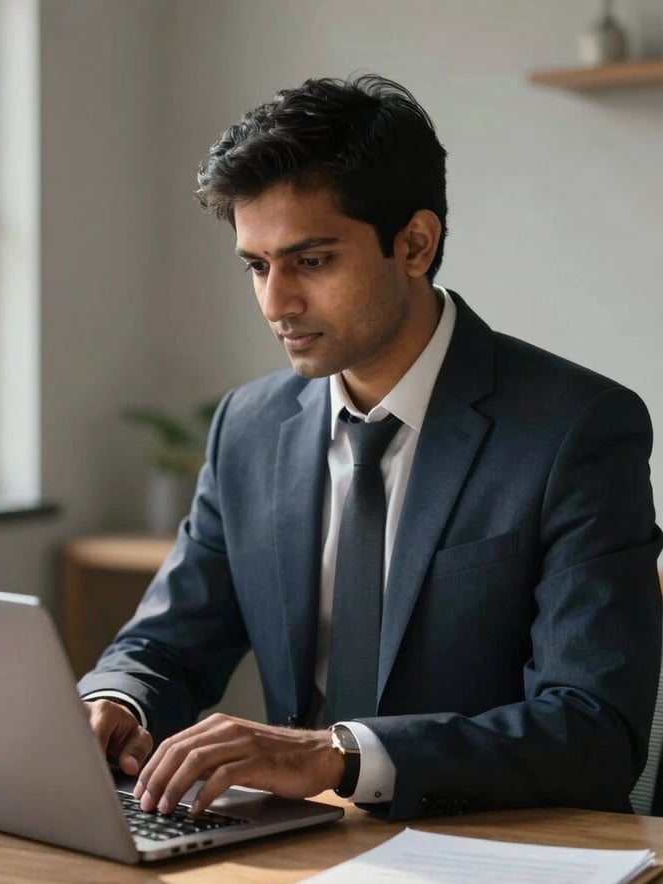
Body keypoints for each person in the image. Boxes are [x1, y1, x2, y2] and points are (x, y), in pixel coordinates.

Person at [78, 74, 662, 822]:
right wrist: (113, 700)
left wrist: (336, 755)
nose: (275, 302)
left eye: (311, 261)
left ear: (415, 244)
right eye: (257, 265)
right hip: (295, 845)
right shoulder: (248, 428)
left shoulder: (576, 429)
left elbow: (593, 730)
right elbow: (169, 642)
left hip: (493, 849)